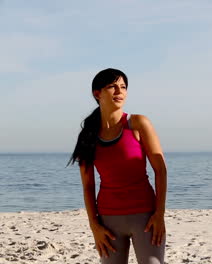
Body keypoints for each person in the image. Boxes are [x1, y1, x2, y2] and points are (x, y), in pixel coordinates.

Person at [69, 68, 167, 264]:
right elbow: (88, 185)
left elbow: (160, 170)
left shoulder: (138, 123)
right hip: (108, 219)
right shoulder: (88, 136)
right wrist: (94, 226)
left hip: (145, 217)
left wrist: (159, 213)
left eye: (123, 87)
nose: (119, 91)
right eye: (112, 87)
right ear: (97, 94)